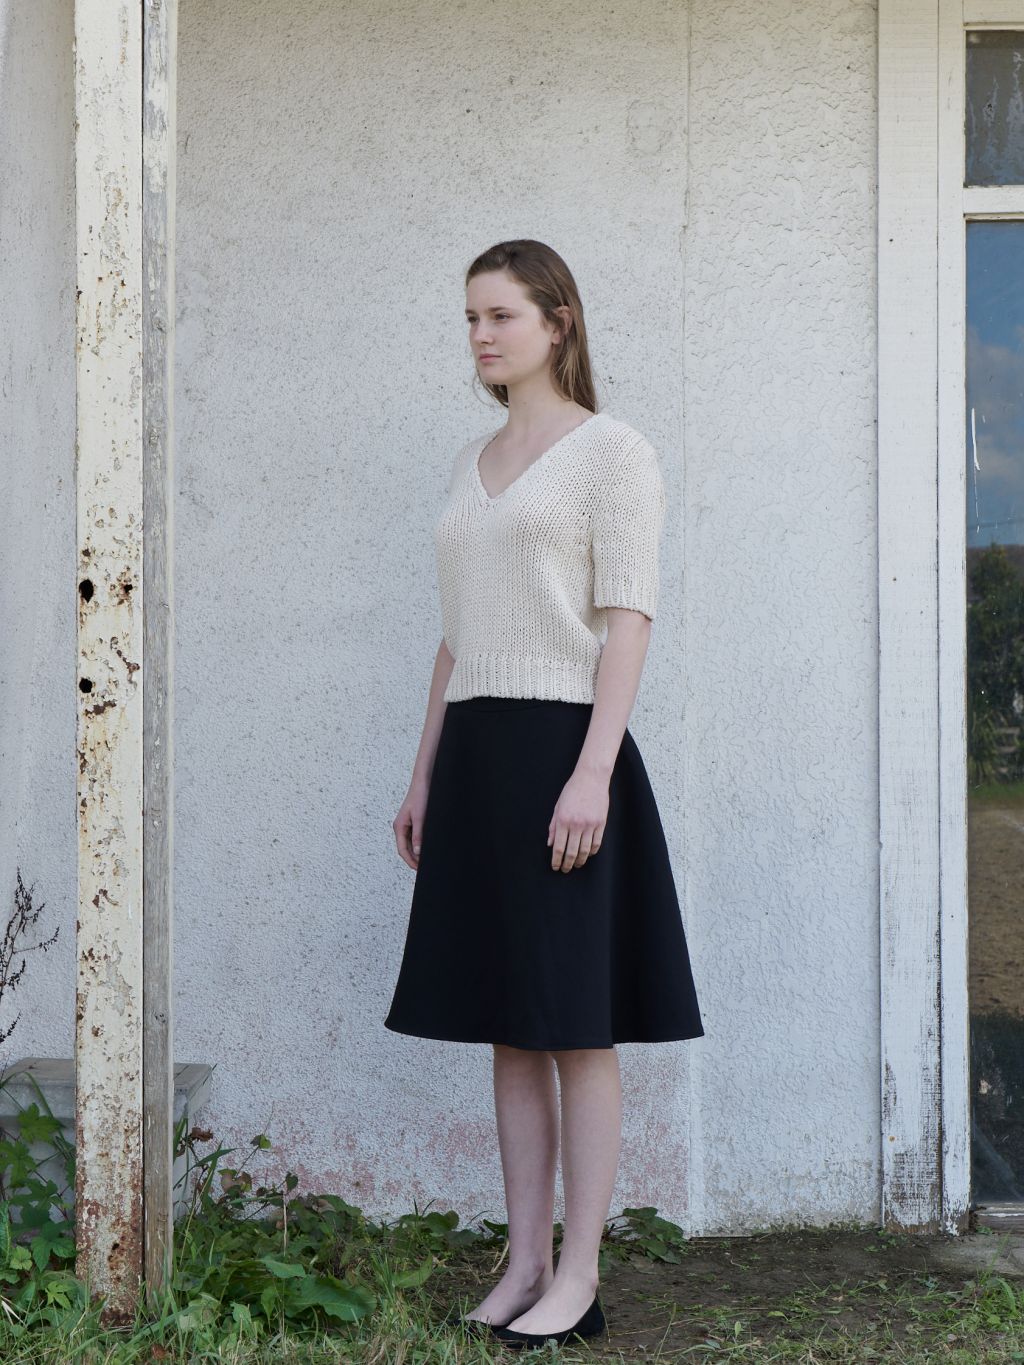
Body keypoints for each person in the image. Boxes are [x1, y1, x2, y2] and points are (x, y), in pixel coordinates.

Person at [384, 238, 704, 1351]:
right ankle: (523, 1262)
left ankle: (580, 1273)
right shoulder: (471, 460)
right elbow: (454, 637)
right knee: (509, 1029)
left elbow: (629, 619)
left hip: (566, 750)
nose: (480, 335)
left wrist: (592, 773)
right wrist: (424, 773)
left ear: (558, 321)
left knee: (574, 1025)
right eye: (469, 317)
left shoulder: (612, 453)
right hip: (476, 756)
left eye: (501, 315)